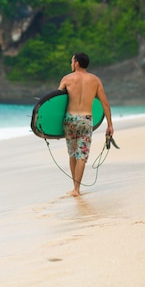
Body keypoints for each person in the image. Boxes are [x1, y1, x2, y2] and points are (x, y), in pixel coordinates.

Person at [58, 53, 113, 197]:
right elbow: (105, 104)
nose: (71, 64)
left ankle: (73, 187)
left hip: (69, 120)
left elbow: (57, 104)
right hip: (85, 119)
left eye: (72, 61)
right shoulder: (95, 80)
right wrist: (109, 125)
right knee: (81, 155)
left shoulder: (66, 79)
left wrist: (55, 130)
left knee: (72, 153)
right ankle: (77, 189)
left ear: (76, 63)